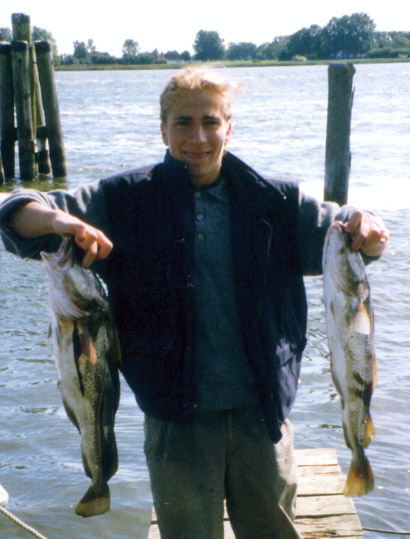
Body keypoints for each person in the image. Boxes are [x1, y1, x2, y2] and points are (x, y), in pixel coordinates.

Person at [0, 66, 389, 539]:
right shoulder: (123, 201)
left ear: (230, 127)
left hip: (262, 415)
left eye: (210, 121)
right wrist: (61, 223)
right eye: (182, 123)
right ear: (162, 129)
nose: (198, 137)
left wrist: (368, 229)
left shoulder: (276, 201)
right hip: (175, 420)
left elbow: (354, 233)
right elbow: (15, 216)